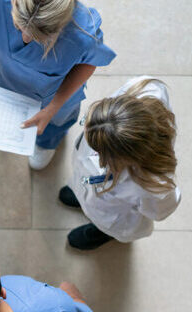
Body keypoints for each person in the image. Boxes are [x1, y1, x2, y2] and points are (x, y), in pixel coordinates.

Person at [0, 0, 116, 170]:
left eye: (39, 36)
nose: (25, 38)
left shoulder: (83, 34)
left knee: (54, 124)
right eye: (17, 25)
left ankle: (46, 143)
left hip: (52, 98)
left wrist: (53, 107)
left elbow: (89, 63)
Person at [59, 76, 180, 250]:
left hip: (111, 215)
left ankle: (102, 233)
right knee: (83, 184)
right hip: (88, 181)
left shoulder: (154, 186)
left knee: (106, 221)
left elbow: (159, 212)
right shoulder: (146, 89)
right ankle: (81, 196)